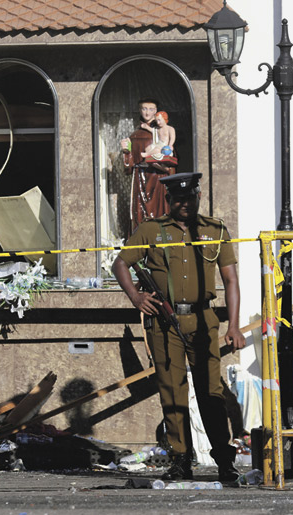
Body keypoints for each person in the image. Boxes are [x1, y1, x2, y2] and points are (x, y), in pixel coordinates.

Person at [112, 172, 245, 483]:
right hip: (164, 323)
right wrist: (136, 296)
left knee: (211, 392)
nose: (185, 203)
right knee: (172, 392)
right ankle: (180, 460)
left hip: (203, 321)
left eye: (190, 198)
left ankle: (224, 461)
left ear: (198, 197)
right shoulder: (151, 230)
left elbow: (231, 280)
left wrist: (234, 326)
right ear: (169, 201)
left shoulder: (215, 229)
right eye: (178, 199)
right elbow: (120, 263)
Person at [120, 98, 175, 236]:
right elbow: (129, 165)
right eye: (144, 109)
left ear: (156, 111)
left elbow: (171, 157)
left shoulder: (164, 131)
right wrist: (126, 152)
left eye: (151, 109)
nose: (147, 112)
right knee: (140, 214)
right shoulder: (135, 135)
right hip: (141, 177)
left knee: (159, 213)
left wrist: (165, 168)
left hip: (158, 177)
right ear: (139, 110)